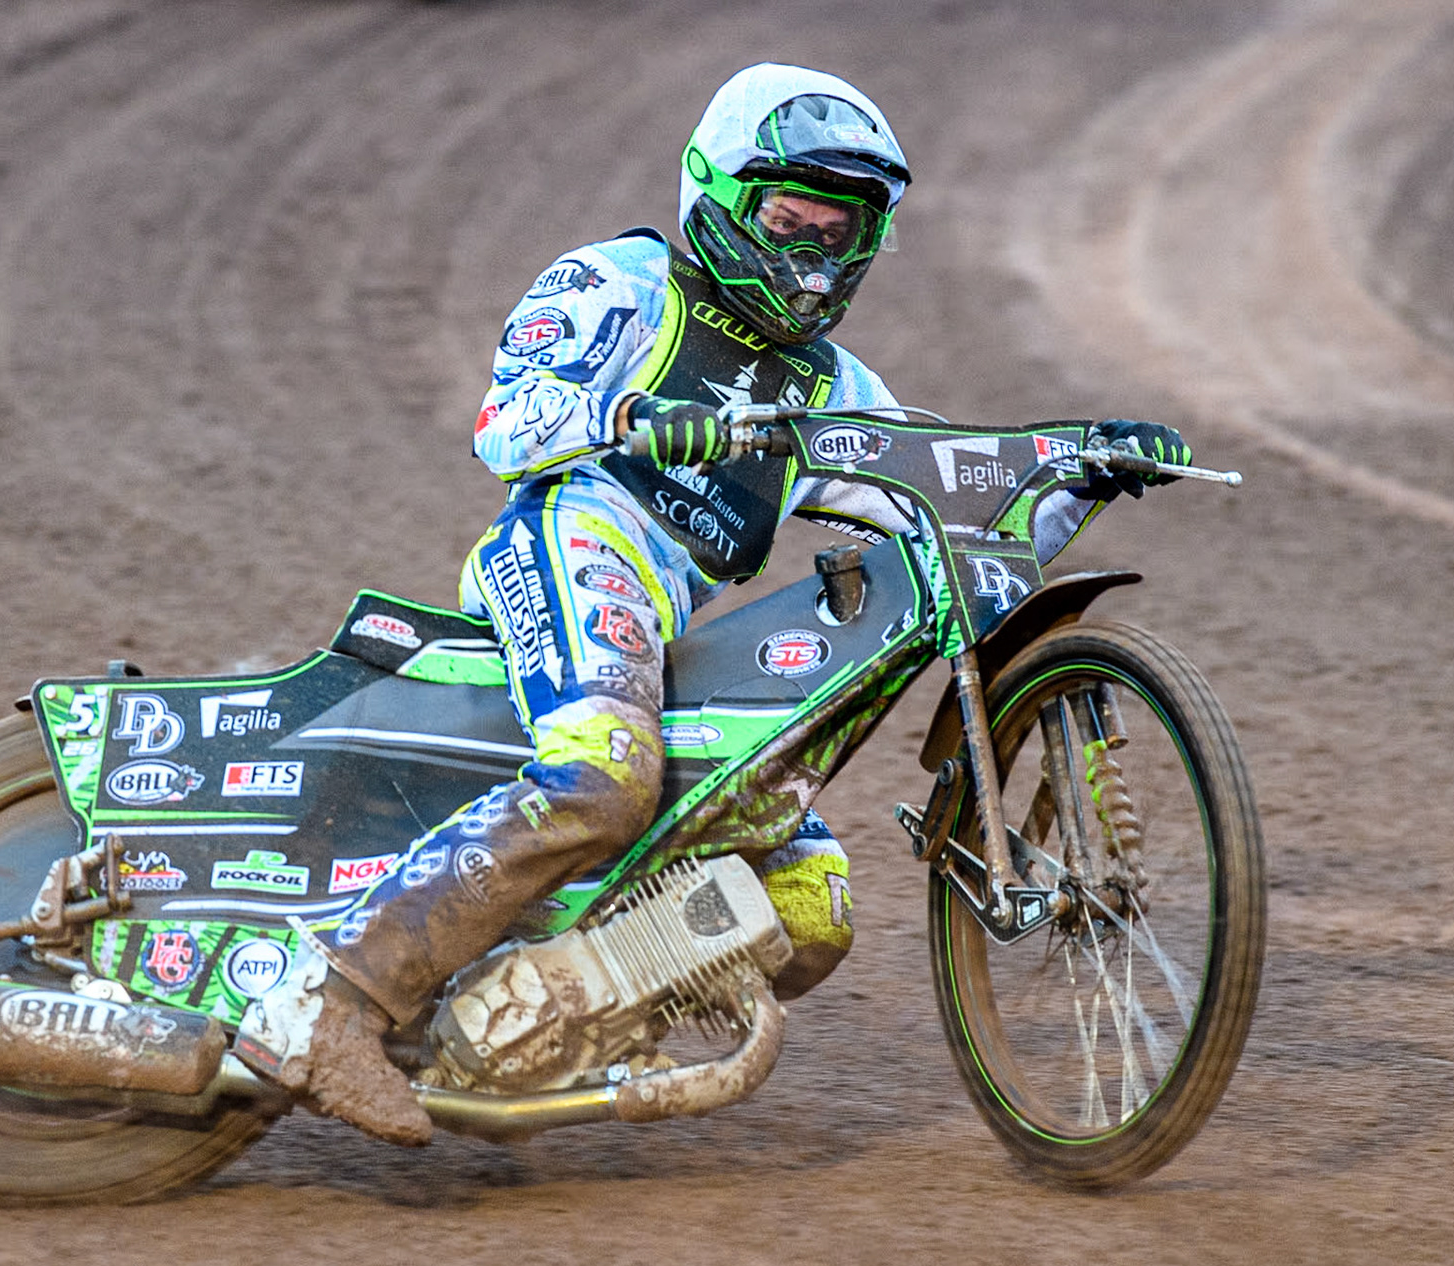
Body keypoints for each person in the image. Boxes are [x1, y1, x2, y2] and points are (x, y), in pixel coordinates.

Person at [241, 63, 1191, 1145]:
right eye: (790, 218)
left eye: (840, 233)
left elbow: (950, 501)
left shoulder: (832, 388)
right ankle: (328, 1004)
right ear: (720, 192)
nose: (812, 254)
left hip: (666, 620)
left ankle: (523, 1021)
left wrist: (1081, 464)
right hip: (574, 537)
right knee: (606, 770)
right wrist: (636, 416)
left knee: (811, 910)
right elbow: (508, 417)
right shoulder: (627, 281)